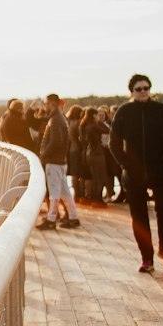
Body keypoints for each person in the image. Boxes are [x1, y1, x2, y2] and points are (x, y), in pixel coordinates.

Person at [109, 74, 163, 272]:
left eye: (146, 88)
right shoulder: (124, 112)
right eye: (139, 89)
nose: (143, 92)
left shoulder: (160, 110)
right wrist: (127, 165)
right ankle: (146, 257)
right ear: (131, 91)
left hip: (159, 170)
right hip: (134, 173)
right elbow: (113, 143)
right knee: (139, 216)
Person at [37, 93, 80, 230]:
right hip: (61, 160)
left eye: (46, 103)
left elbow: (56, 141)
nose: (45, 106)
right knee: (65, 192)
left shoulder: (55, 120)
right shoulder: (60, 118)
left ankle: (51, 219)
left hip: (54, 162)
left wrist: (43, 154)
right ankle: (73, 217)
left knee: (54, 192)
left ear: (52, 104)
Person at [80, 107, 109, 205]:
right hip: (97, 153)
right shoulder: (94, 126)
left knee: (94, 177)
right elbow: (107, 130)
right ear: (93, 115)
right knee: (100, 177)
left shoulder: (85, 125)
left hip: (89, 152)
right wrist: (99, 122)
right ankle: (98, 199)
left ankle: (94, 199)